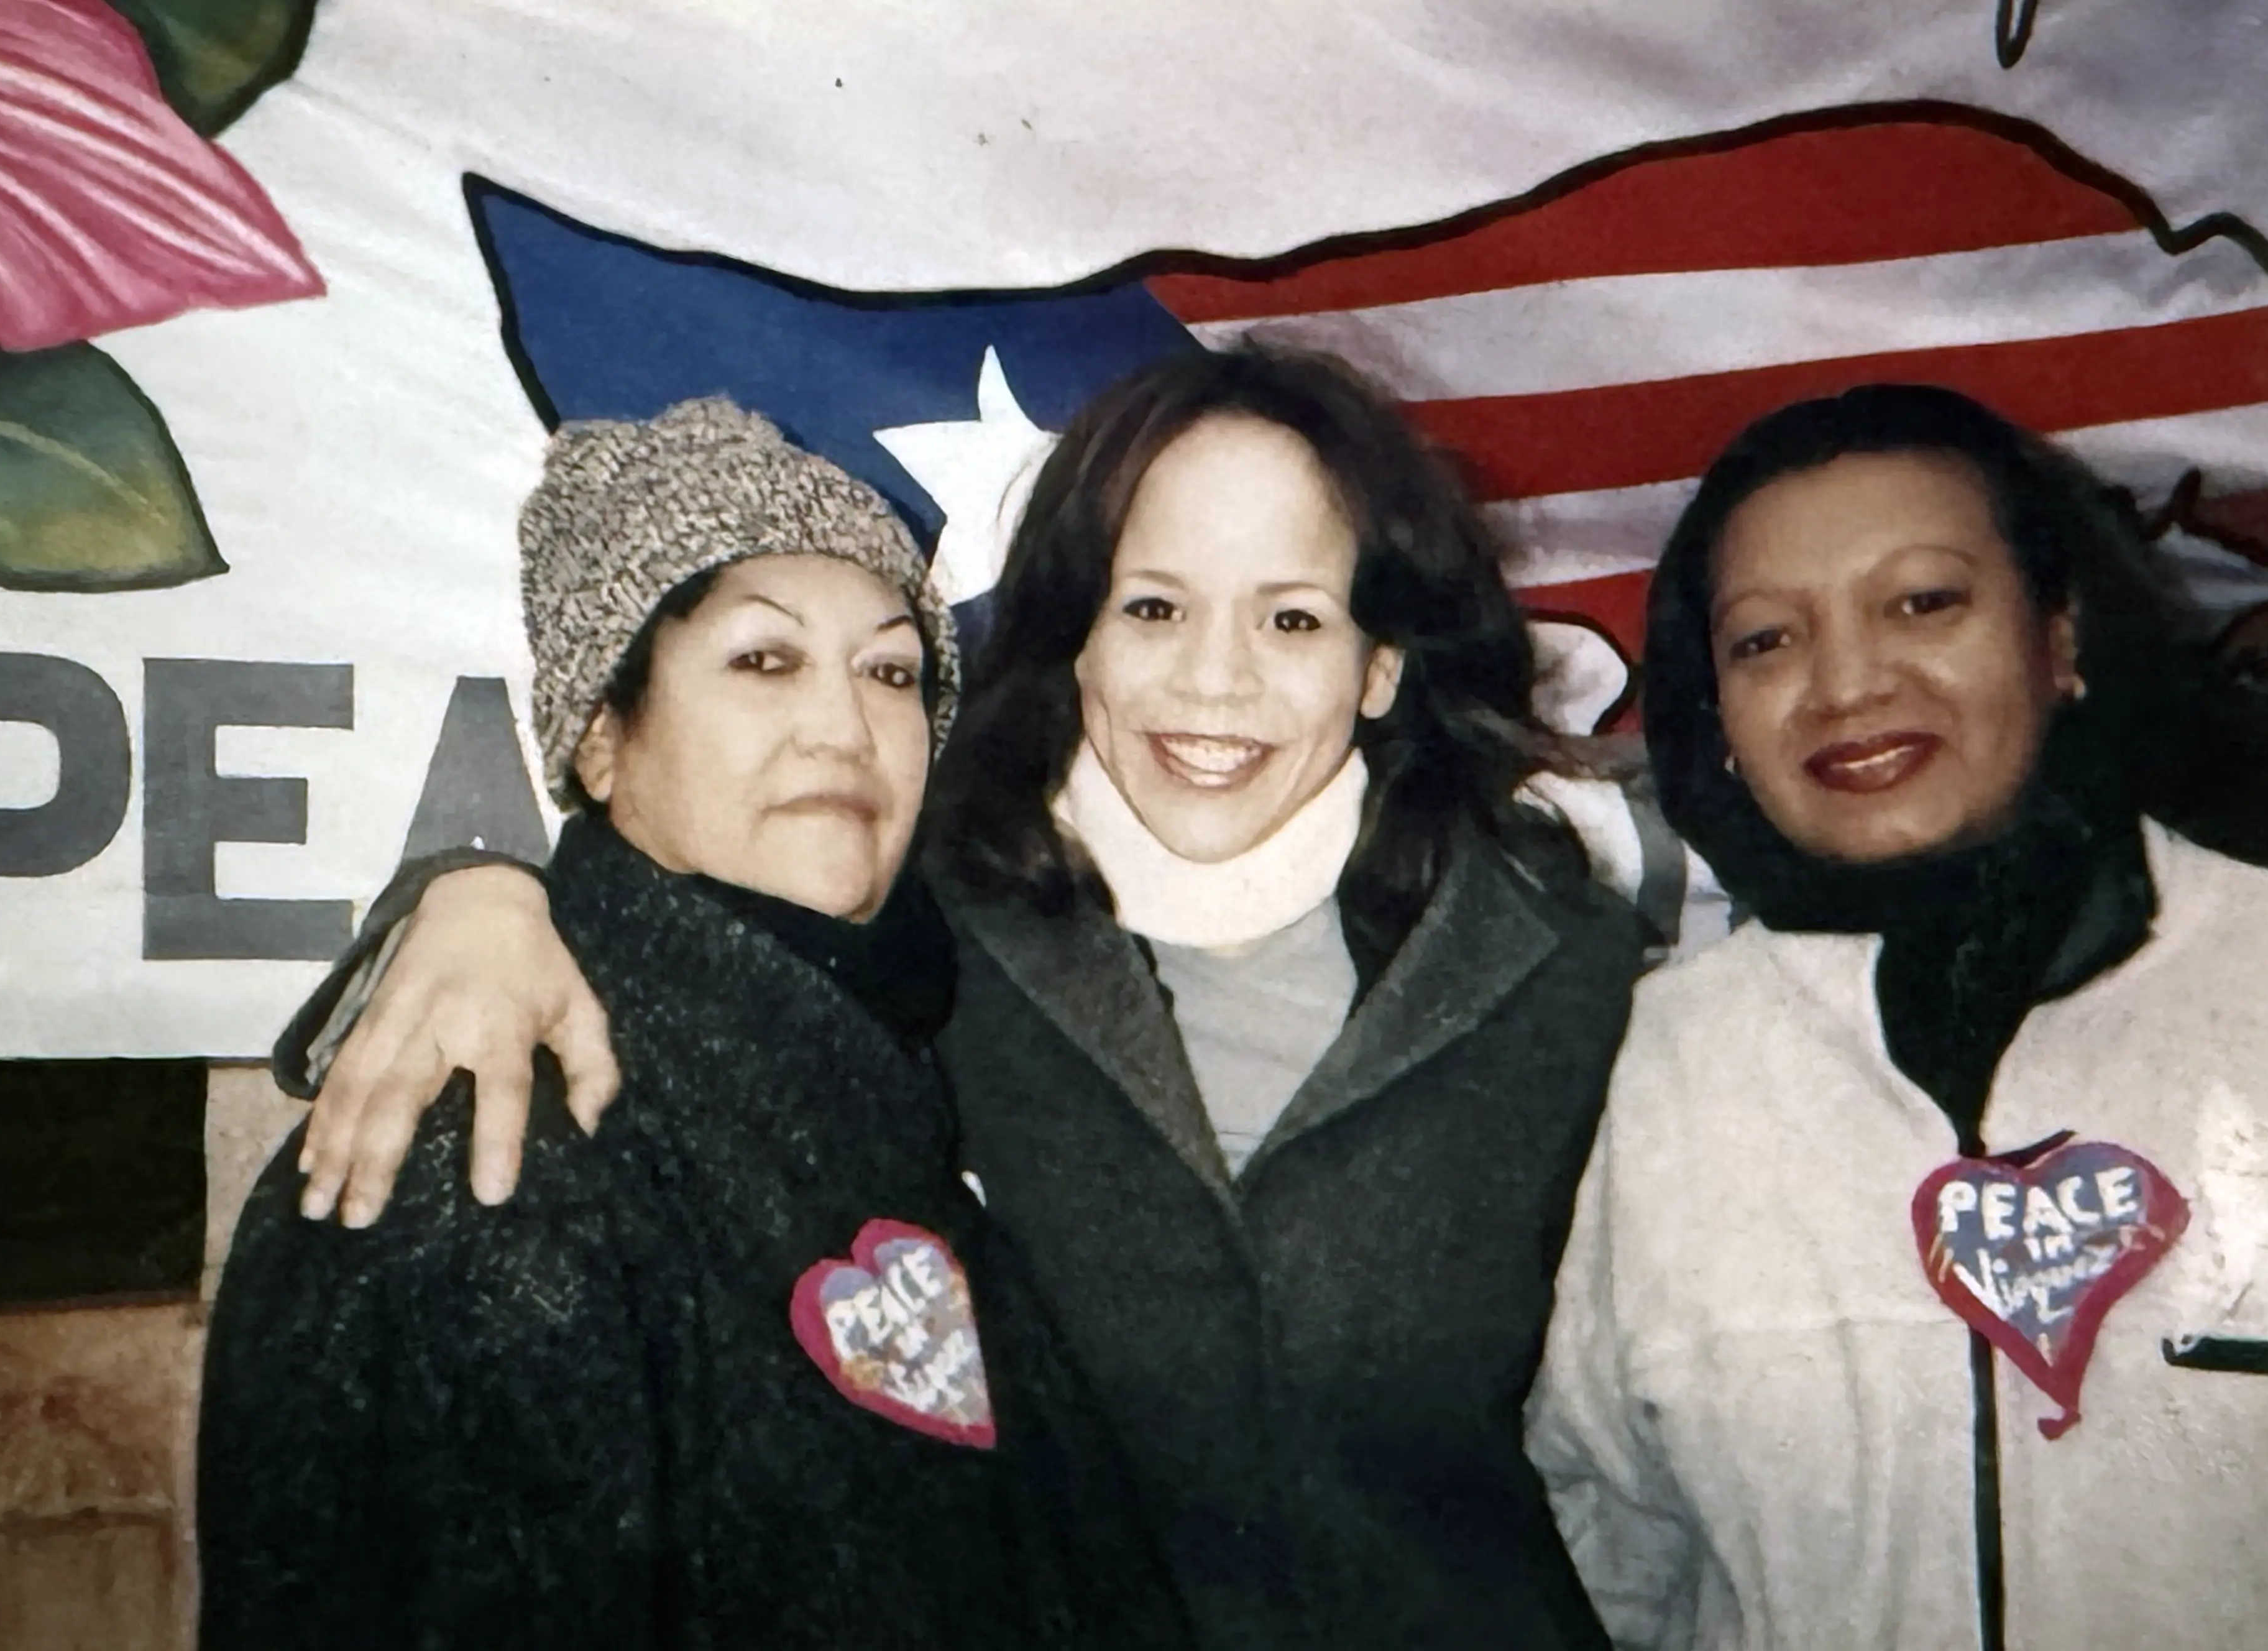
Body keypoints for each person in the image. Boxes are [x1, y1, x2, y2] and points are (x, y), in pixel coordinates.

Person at [268, 346, 1647, 1649]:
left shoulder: (1553, 964)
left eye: (1290, 617)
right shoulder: (953, 941)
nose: (1214, 678)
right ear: (1079, 643)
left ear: (1381, 662)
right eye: (1153, 606)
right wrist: (472, 893)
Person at [198, 399, 1185, 1650]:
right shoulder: (493, 1155)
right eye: (762, 660)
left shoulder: (896, 1064)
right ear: (600, 740)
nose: (845, 723)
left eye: (889, 669)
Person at [1529, 384, 2268, 1650]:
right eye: (1765, 639)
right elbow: (1612, 1533)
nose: (1846, 682)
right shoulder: (1674, 1054)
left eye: (1922, 602)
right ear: (1713, 718)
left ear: (2060, 637)